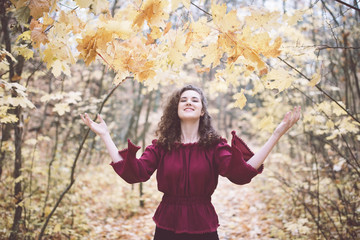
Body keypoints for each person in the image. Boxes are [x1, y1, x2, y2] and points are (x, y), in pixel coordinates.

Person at [80, 85, 301, 240]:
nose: (188, 102)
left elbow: (241, 174)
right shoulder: (161, 145)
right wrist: (105, 136)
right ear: (175, 110)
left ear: (202, 110)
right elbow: (134, 173)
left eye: (194, 100)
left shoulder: (215, 146)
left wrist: (275, 135)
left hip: (203, 224)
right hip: (167, 223)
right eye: (183, 100)